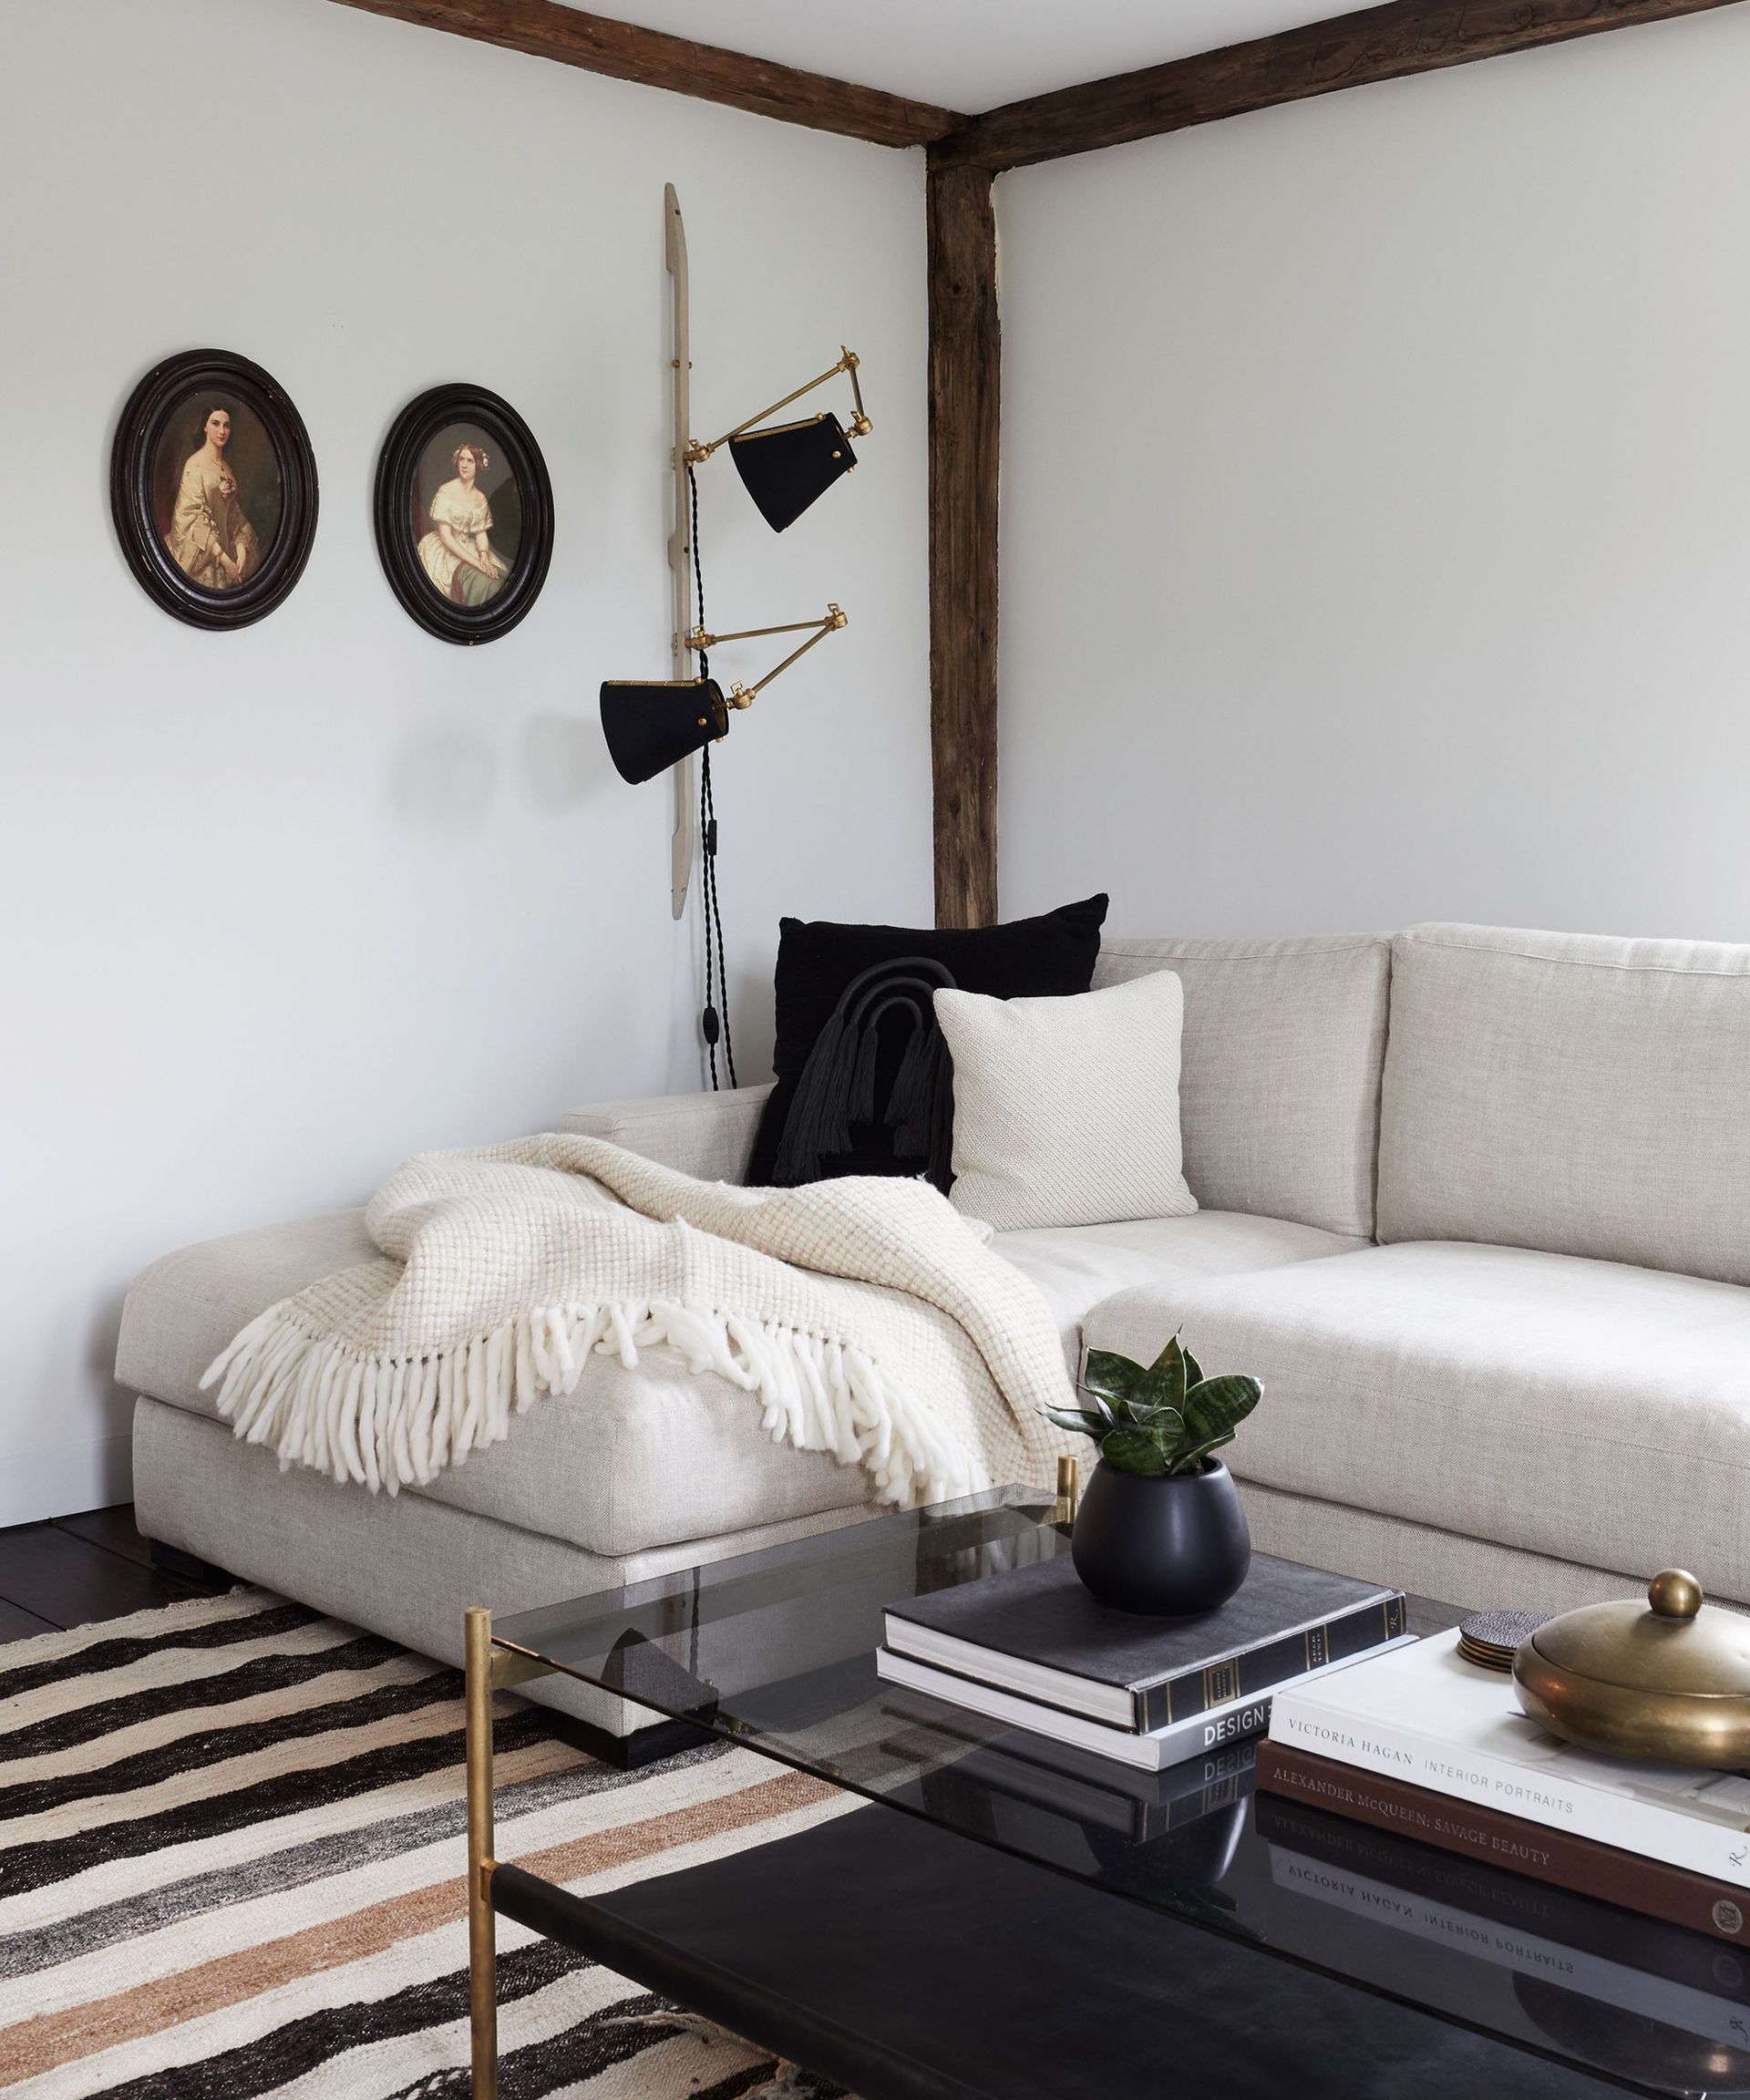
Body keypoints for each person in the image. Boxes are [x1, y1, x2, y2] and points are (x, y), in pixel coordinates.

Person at [166, 406, 261, 590]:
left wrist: (241, 551)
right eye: (215, 424)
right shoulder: (195, 465)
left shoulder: (227, 467)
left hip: (228, 551)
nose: (222, 431)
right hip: (205, 555)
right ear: (205, 427)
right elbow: (192, 519)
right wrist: (225, 561)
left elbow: (234, 515)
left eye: (226, 425)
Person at [416, 442, 510, 605]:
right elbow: (446, 537)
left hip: (470, 547)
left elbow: (481, 534)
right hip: (445, 549)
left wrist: (484, 556)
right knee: (485, 582)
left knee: (501, 579)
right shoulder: (446, 491)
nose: (464, 465)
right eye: (462, 459)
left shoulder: (480, 498)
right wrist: (476, 563)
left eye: (470, 461)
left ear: (478, 466)